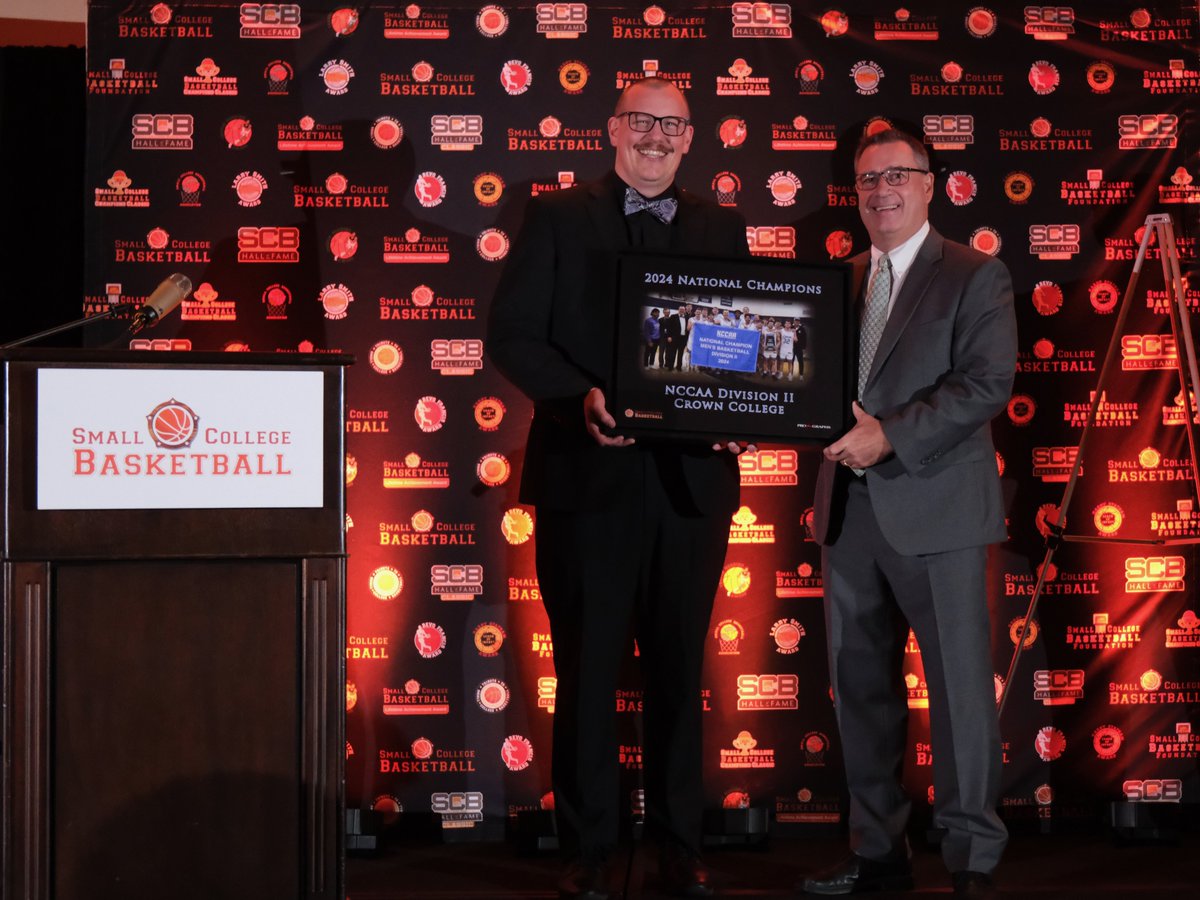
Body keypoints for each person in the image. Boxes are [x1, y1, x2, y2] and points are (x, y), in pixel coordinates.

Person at [488, 76, 751, 900]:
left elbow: (741, 340)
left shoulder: (721, 225)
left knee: (679, 670)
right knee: (589, 671)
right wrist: (579, 399)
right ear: (611, 128)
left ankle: (681, 842)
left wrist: (749, 404)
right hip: (586, 479)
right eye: (642, 121)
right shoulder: (559, 217)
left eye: (672, 126)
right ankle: (590, 848)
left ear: (690, 138)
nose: (656, 137)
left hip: (691, 487)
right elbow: (514, 336)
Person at [803, 128, 1016, 900]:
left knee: (960, 694)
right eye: (866, 180)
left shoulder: (974, 274)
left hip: (940, 513)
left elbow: (986, 384)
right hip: (848, 516)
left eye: (897, 175)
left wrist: (889, 435)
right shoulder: (842, 280)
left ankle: (972, 861)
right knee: (859, 692)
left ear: (933, 185)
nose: (880, 190)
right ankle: (877, 852)